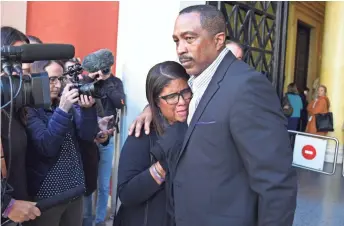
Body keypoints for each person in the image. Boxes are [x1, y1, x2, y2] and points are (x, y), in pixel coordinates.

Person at [128, 5, 297, 226]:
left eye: (189, 38)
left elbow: (276, 182)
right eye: (176, 40)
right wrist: (151, 108)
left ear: (218, 40)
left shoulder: (246, 87)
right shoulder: (195, 82)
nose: (180, 48)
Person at [115, 61, 191, 226]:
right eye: (171, 96)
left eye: (185, 91)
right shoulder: (143, 133)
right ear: (156, 101)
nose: (182, 101)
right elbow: (127, 194)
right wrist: (163, 166)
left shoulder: (196, 125)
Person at [25, 60, 98, 226]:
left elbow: (87, 136)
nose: (58, 85)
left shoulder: (62, 103)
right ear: (37, 79)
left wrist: (87, 110)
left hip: (75, 191)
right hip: (48, 198)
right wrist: (63, 110)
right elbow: (46, 147)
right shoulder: (30, 110)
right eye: (52, 79)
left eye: (60, 79)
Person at [1, 26, 41, 224]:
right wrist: (6, 206)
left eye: (26, 68)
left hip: (21, 212)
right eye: (15, 67)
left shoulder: (19, 106)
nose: (23, 72)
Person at [83, 52, 125, 226]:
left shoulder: (115, 83)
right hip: (89, 139)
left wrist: (106, 80)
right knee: (88, 183)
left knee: (103, 184)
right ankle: (86, 219)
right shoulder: (87, 82)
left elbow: (120, 103)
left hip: (107, 138)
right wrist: (93, 80)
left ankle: (99, 220)